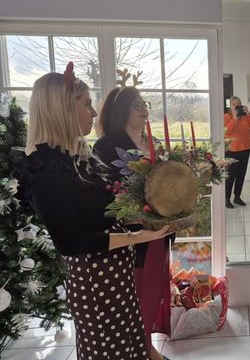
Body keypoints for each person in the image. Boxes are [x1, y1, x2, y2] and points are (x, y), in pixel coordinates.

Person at [15, 63, 170, 360]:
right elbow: (69, 241)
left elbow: (104, 212)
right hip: (96, 284)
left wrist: (145, 218)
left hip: (117, 274)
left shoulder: (78, 157)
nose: (95, 112)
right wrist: (138, 237)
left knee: (134, 348)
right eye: (86, 104)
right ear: (62, 108)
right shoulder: (46, 170)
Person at [93, 87, 173, 360]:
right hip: (129, 236)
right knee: (135, 294)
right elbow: (104, 194)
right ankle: (142, 349)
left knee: (152, 291)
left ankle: (145, 346)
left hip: (157, 231)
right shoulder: (105, 146)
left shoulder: (153, 142)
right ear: (122, 109)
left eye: (145, 103)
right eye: (137, 104)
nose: (144, 109)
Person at [223, 95, 250, 209]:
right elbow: (226, 132)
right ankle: (227, 198)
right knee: (230, 176)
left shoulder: (245, 116)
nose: (236, 106)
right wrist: (234, 119)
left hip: (245, 149)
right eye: (234, 104)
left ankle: (237, 197)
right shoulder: (226, 117)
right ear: (230, 106)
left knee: (241, 174)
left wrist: (248, 113)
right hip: (232, 151)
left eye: (238, 104)